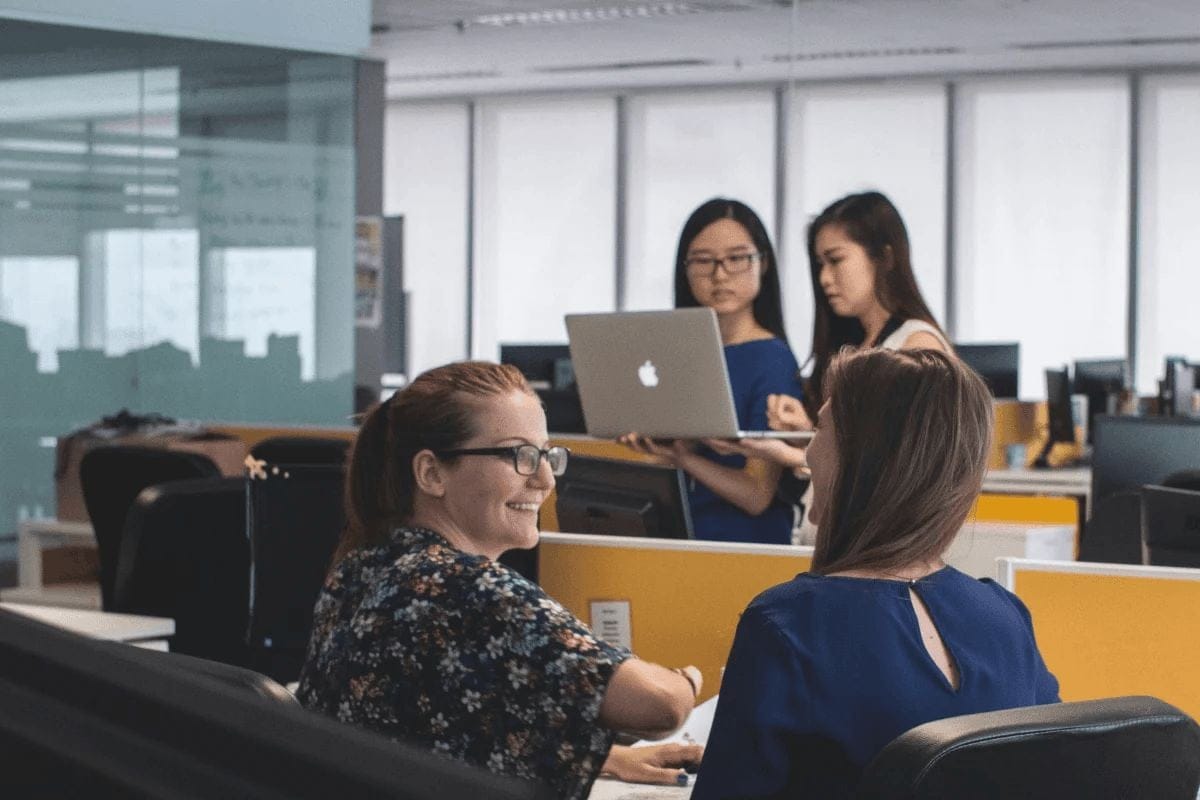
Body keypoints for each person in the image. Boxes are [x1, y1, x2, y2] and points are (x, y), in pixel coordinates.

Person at [297, 361, 703, 800]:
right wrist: (686, 682)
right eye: (519, 455)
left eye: (547, 455)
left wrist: (607, 759)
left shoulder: (364, 563)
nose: (546, 479)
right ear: (432, 473)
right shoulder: (465, 587)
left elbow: (429, 732)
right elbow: (662, 706)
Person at [692, 349, 1060, 799]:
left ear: (859, 458)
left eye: (820, 429)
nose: (807, 450)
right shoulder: (1005, 617)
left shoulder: (787, 626)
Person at [620, 198, 804, 545]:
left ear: (762, 263)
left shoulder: (770, 358)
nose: (720, 275)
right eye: (703, 261)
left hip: (740, 547)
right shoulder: (681, 352)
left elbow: (756, 496)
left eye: (736, 258)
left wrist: (684, 459)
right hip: (682, 538)